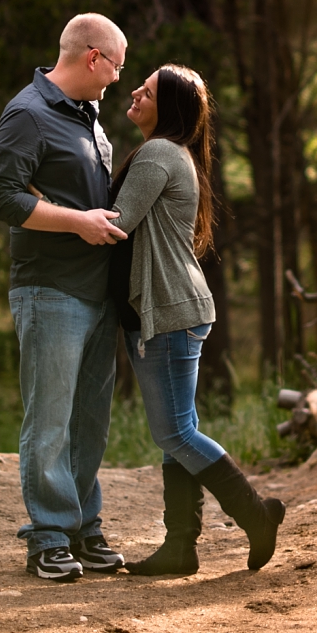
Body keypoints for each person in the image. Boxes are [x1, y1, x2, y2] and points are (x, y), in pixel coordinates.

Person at [110, 64, 284, 576]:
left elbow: (116, 224)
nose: (137, 91)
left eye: (150, 89)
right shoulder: (172, 153)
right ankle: (180, 547)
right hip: (173, 310)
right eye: (139, 83)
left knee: (176, 434)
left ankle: (255, 514)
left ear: (172, 108)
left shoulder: (160, 153)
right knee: (179, 431)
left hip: (168, 312)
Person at [0, 13, 133, 582]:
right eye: (117, 66)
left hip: (99, 295)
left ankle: (80, 527)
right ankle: (46, 536)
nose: (119, 79)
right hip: (50, 289)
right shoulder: (28, 113)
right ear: (93, 57)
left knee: (89, 422)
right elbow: (0, 197)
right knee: (49, 420)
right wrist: (76, 222)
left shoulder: (89, 115)